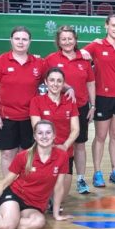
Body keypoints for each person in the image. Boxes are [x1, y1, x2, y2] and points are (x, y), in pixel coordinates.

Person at [0, 26, 47, 178]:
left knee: (26, 155)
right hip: (5, 118)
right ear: (11, 41)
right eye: (17, 38)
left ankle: (23, 188)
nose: (20, 42)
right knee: (7, 154)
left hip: (30, 118)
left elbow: (53, 80)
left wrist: (69, 88)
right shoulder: (0, 62)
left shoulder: (39, 63)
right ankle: (9, 189)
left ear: (30, 42)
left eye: (24, 39)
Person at [81, 14, 115, 188]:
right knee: (101, 136)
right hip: (102, 98)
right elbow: (79, 53)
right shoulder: (96, 45)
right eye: (113, 25)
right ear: (106, 26)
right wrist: (90, 47)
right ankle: (97, 172)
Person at [45, 25, 96, 194]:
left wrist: (93, 105)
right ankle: (52, 179)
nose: (67, 42)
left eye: (70, 38)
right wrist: (68, 88)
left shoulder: (84, 59)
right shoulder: (51, 59)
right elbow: (48, 79)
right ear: (58, 42)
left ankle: (80, 180)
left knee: (79, 145)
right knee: (56, 144)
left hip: (80, 108)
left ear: (75, 40)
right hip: (57, 110)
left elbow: (90, 83)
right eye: (63, 39)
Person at [30, 68, 79, 201]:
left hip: (65, 153)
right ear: (45, 82)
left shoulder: (70, 101)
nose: (55, 84)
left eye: (59, 81)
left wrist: (64, 146)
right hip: (44, 152)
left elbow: (76, 129)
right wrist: (51, 147)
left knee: (60, 199)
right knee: (43, 199)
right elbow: (37, 128)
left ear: (63, 84)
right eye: (51, 80)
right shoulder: (36, 101)